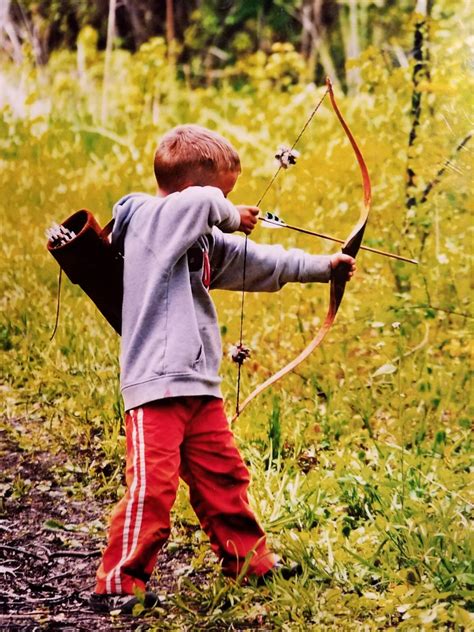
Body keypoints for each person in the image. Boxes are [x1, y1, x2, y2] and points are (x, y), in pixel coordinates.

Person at [90, 124, 355, 614]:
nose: (229, 205)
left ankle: (249, 563)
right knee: (153, 488)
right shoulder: (149, 221)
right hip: (156, 387)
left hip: (199, 387)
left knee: (224, 477)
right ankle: (118, 581)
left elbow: (261, 261)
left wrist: (325, 267)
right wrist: (229, 211)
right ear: (196, 191)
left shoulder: (200, 240)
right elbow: (196, 207)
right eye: (223, 192)